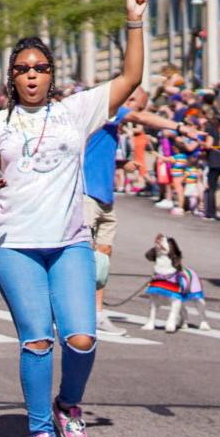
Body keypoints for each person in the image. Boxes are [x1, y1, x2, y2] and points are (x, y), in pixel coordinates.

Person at [0, 0, 148, 437]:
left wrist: (133, 19)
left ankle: (70, 405)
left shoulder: (75, 112)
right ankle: (40, 431)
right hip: (15, 247)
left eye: (40, 68)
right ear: (12, 76)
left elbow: (131, 76)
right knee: (37, 341)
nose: (32, 76)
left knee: (82, 338)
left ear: (52, 75)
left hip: (70, 243)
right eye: (23, 69)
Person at [82, 87, 187, 334]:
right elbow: (141, 118)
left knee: (102, 259)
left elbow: (93, 150)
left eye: (137, 106)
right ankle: (68, 312)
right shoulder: (107, 110)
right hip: (86, 195)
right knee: (79, 256)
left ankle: (97, 314)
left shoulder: (109, 123)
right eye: (133, 103)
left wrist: (120, 163)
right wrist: (181, 127)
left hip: (105, 197)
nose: (133, 110)